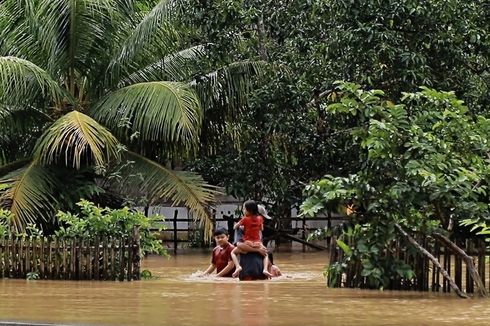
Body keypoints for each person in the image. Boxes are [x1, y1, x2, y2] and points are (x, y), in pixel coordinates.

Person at [231, 200, 271, 278]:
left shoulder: (245, 221)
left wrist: (271, 266)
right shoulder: (241, 229)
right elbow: (239, 244)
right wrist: (258, 250)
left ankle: (238, 267)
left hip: (260, 271)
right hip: (247, 269)